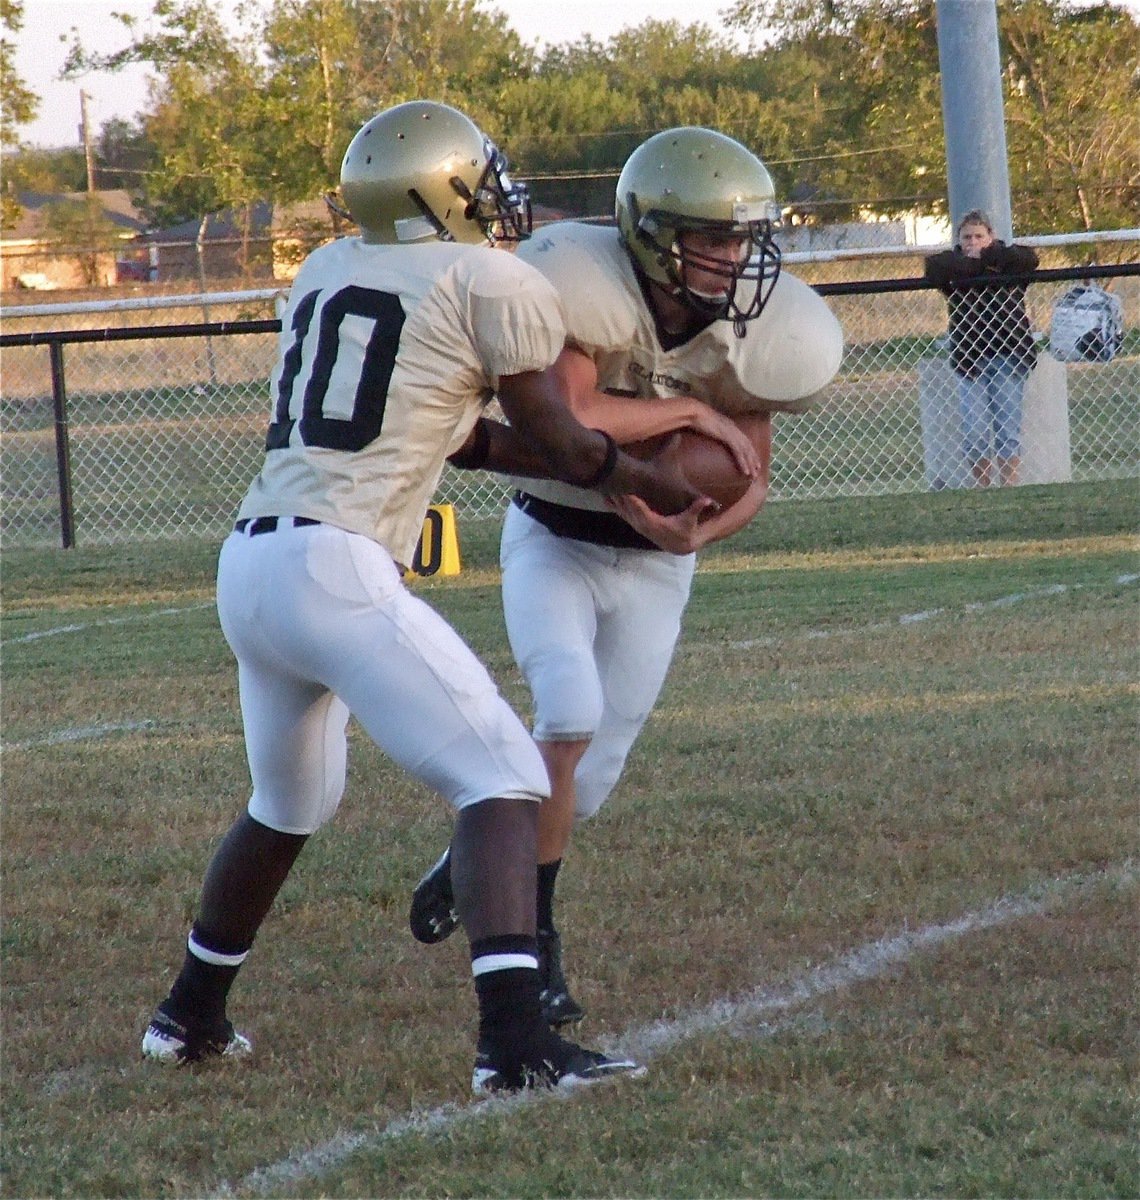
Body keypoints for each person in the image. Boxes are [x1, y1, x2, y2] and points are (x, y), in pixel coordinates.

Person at [140, 100, 711, 1094]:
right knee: (503, 778)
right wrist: (650, 478)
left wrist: (593, 462)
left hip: (253, 562)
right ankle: (516, 1049)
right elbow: (569, 442)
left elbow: (468, 437)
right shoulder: (488, 276)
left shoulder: (325, 269)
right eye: (480, 178)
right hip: (336, 566)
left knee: (289, 802)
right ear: (442, 189)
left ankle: (187, 1016)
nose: (495, 197)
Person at [408, 127, 844, 1028]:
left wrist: (698, 533)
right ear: (651, 233)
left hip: (653, 569)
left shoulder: (753, 332)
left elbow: (747, 472)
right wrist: (682, 407)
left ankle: (471, 861)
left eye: (742, 239)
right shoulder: (587, 287)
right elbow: (571, 415)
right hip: (555, 538)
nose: (734, 258)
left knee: (588, 781)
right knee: (564, 712)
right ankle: (539, 946)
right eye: (713, 238)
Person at [924, 209, 1039, 487]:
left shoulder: (1007, 263)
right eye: (966, 237)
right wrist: (972, 265)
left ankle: (1008, 486)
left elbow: (1030, 259)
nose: (972, 242)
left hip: (1008, 355)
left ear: (991, 236)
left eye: (979, 236)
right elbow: (933, 268)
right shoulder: (954, 268)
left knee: (1007, 428)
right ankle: (983, 488)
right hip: (970, 359)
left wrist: (985, 258)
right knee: (974, 430)